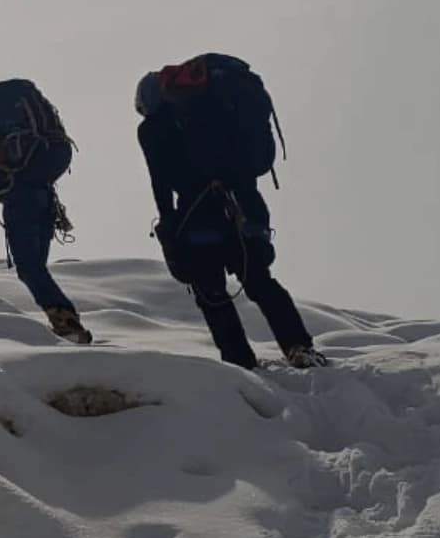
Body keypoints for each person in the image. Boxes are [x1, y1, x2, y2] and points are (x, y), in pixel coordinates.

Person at [134, 54, 326, 369]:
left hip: (198, 217)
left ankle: (239, 363)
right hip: (244, 204)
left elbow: (160, 183)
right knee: (260, 282)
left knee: (211, 293)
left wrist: (169, 230)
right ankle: (298, 346)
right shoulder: (214, 108)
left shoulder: (153, 129)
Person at [0, 79, 92, 344]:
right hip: (44, 198)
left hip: (21, 200)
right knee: (36, 266)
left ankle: (64, 319)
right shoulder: (14, 130)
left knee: (28, 267)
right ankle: (65, 318)